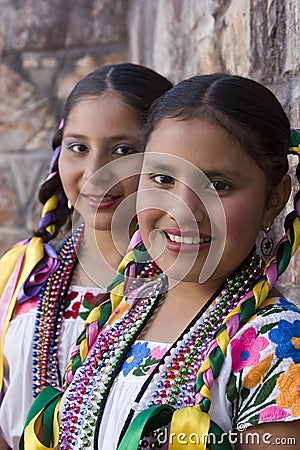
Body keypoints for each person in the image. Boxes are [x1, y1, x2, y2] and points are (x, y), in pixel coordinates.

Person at [23, 73, 300, 450]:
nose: (182, 210)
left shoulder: (278, 345)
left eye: (217, 185)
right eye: (162, 178)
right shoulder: (124, 306)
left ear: (274, 199)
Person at [0, 62, 173, 450]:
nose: (96, 172)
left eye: (123, 150)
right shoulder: (19, 275)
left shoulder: (192, 287)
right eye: (78, 147)